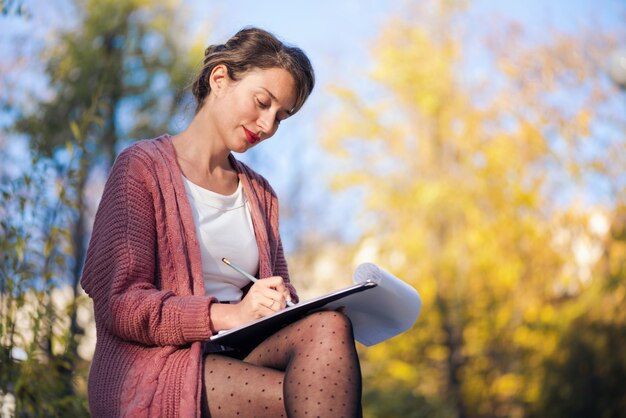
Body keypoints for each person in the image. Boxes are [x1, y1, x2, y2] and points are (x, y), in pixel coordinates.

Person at [80, 27, 362, 417]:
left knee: (329, 327)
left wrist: (288, 306)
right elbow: (121, 303)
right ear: (220, 79)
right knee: (312, 393)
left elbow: (277, 294)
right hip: (159, 367)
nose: (267, 126)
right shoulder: (140, 168)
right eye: (262, 102)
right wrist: (229, 314)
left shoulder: (261, 193)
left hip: (241, 354)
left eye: (281, 117)